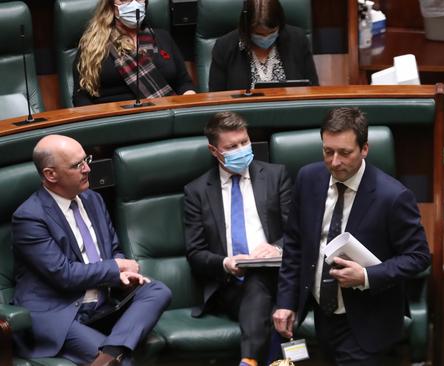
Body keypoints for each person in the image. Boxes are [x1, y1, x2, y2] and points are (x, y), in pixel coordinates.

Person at [272, 107, 431, 365]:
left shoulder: (393, 196)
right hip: (321, 317)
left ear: (364, 149)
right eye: (328, 151)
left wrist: (366, 276)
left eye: (345, 153)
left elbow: (419, 257)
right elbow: (295, 244)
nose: (335, 162)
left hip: (368, 322)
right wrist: (286, 302)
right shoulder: (308, 178)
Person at [11, 135, 172, 366]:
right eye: (77, 165)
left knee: (157, 290)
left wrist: (122, 272)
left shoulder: (93, 199)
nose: (87, 168)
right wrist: (114, 268)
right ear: (50, 174)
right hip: (61, 314)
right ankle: (114, 358)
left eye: (86, 159)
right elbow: (63, 275)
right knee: (125, 363)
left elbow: (113, 249)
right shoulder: (30, 217)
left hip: (102, 306)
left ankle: (110, 354)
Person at [183, 112, 292, 366]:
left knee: (260, 277)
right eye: (232, 147)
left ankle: (249, 360)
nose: (241, 149)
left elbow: (297, 234)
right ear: (214, 150)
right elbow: (195, 252)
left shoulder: (276, 176)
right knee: (255, 283)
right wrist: (226, 263)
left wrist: (276, 247)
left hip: (279, 276)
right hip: (230, 285)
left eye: (244, 142)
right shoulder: (197, 192)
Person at [73, 0, 195, 106]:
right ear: (111, 5)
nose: (134, 4)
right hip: (113, 121)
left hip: (164, 115)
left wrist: (190, 103)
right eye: (125, 0)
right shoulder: (92, 45)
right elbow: (81, 97)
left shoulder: (163, 37)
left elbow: (184, 84)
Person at [208, 0, 319, 92]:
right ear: (246, 29)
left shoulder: (297, 40)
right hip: (242, 117)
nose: (266, 38)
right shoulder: (224, 47)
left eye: (272, 33)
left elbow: (313, 90)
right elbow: (216, 100)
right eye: (258, 34)